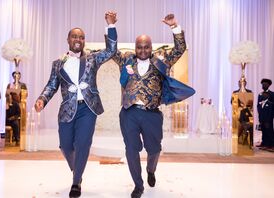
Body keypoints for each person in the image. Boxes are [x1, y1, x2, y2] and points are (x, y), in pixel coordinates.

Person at [34, 11, 117, 198]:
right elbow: (51, 86)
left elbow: (111, 51)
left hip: (88, 108)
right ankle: (77, 170)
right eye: (74, 36)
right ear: (68, 39)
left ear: (84, 41)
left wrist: (111, 26)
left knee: (83, 143)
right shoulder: (58, 64)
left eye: (81, 37)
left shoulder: (92, 58)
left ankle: (76, 181)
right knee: (65, 146)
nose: (78, 39)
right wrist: (42, 100)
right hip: (67, 110)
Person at [113, 14, 195, 198]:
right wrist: (110, 26)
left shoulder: (161, 59)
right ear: (135, 48)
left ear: (151, 47)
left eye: (146, 47)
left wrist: (174, 27)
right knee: (131, 149)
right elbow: (112, 50)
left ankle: (151, 169)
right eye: (139, 47)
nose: (143, 50)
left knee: (154, 149)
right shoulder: (126, 60)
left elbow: (180, 48)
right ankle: (138, 185)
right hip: (129, 113)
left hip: (152, 113)